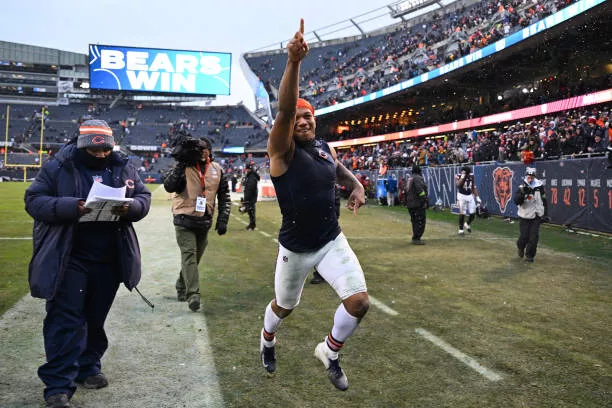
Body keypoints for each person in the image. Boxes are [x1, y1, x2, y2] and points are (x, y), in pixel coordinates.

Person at [259, 19, 369, 391]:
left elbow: (338, 170)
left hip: (331, 240)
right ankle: (267, 339)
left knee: (359, 303)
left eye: (309, 116)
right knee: (284, 307)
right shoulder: (282, 150)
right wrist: (293, 62)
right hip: (296, 247)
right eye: (299, 116)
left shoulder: (325, 148)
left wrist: (355, 185)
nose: (303, 120)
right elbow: (286, 110)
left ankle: (330, 352)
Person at [24, 119, 151, 408]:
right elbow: (34, 200)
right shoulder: (58, 166)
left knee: (95, 318)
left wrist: (133, 207)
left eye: (105, 150)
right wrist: (73, 206)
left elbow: (143, 196)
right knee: (65, 319)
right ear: (80, 146)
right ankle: (58, 385)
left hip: (109, 258)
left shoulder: (123, 166)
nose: (101, 155)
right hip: (69, 256)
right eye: (94, 152)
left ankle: (87, 366)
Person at [164, 134, 231, 312]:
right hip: (183, 219)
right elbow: (170, 186)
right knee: (189, 256)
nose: (201, 153)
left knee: (194, 259)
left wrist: (223, 219)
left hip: (204, 221)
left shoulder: (217, 169)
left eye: (204, 149)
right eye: (198, 150)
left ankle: (181, 285)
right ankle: (193, 294)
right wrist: (181, 164)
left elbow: (224, 196)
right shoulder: (184, 167)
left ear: (209, 151)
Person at [513, 167, 549, 262]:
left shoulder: (539, 187)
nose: (530, 179)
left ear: (534, 177)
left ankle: (530, 255)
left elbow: (544, 199)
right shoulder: (521, 187)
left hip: (536, 215)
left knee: (534, 237)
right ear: (526, 177)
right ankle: (520, 247)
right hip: (524, 215)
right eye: (529, 177)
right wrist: (522, 194)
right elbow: (516, 201)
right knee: (524, 236)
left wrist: (545, 214)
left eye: (532, 177)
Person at [404, 165, 428, 244]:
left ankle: (415, 237)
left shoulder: (409, 179)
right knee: (420, 221)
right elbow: (420, 190)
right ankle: (417, 238)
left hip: (410, 203)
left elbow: (406, 190)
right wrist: (424, 200)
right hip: (417, 204)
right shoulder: (418, 178)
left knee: (414, 221)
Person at [455, 165, 481, 235]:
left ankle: (467, 223)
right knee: (462, 213)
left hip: (470, 195)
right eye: (468, 173)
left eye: (469, 173)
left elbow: (473, 187)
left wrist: (477, 197)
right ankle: (460, 230)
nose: (469, 174)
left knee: (473, 212)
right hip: (461, 196)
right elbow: (458, 185)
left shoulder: (472, 176)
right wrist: (462, 178)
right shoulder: (458, 176)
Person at [242, 161, 260, 230]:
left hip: (251, 197)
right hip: (250, 196)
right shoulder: (249, 175)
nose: (246, 170)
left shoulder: (252, 177)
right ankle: (251, 224)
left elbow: (250, 189)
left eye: (247, 169)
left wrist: (246, 199)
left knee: (251, 211)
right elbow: (245, 184)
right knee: (250, 211)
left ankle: (252, 225)